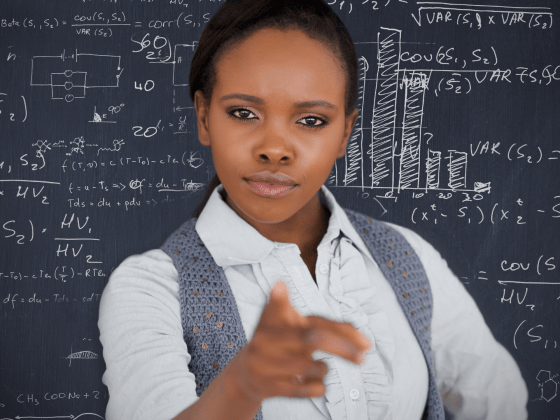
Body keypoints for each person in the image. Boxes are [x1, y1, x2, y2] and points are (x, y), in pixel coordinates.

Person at [97, 1, 529, 419]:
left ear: (345, 133)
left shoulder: (408, 259)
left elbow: (498, 401)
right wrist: (241, 386)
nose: (274, 149)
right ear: (204, 117)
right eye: (243, 112)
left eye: (311, 121)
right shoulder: (150, 289)